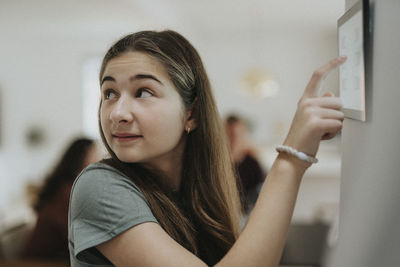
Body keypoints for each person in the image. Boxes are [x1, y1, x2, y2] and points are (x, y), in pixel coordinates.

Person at [68, 30, 346, 267]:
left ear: (192, 114)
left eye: (143, 92)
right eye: (109, 93)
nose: (117, 113)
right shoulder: (99, 186)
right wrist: (291, 158)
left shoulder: (203, 189)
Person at [22, 137, 101, 260]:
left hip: (50, 256)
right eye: (95, 153)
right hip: (42, 262)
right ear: (83, 156)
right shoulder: (68, 191)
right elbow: (76, 233)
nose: (100, 159)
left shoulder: (66, 185)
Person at [225, 115, 266, 213]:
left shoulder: (252, 163)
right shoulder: (215, 163)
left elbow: (260, 194)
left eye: (237, 135)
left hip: (245, 214)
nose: (234, 140)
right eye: (230, 135)